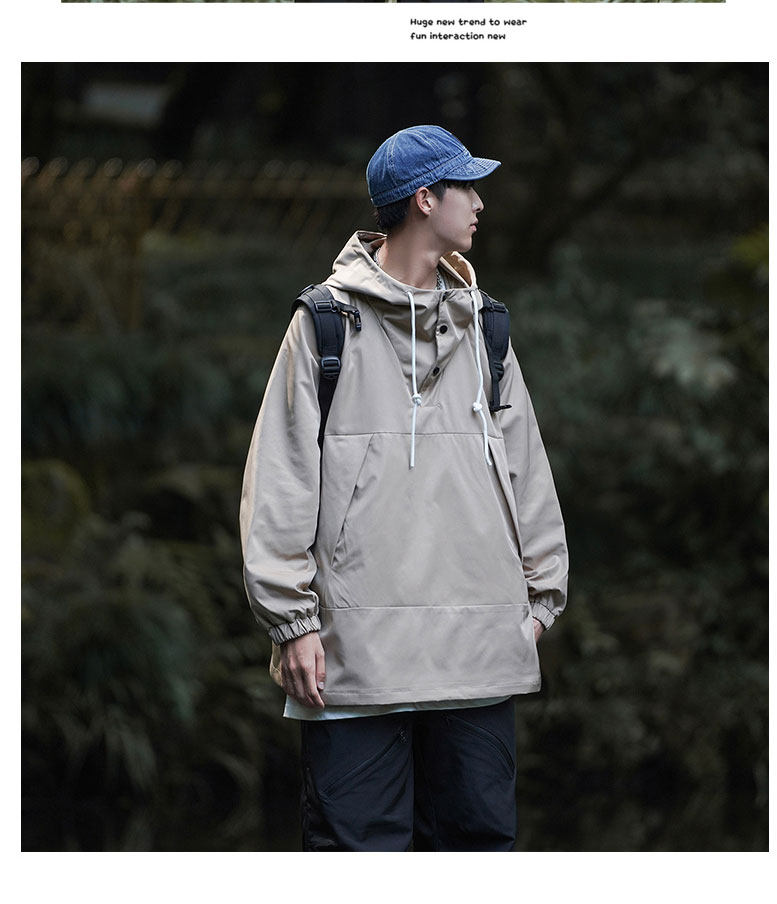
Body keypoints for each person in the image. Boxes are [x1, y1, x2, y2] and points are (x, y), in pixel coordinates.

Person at [240, 125, 568, 851]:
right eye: (466, 187)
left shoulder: (486, 328)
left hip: (478, 653)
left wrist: (540, 602)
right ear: (425, 199)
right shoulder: (325, 323)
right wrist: (293, 623)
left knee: (473, 857)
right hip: (353, 658)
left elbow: (528, 473)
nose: (479, 203)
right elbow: (281, 478)